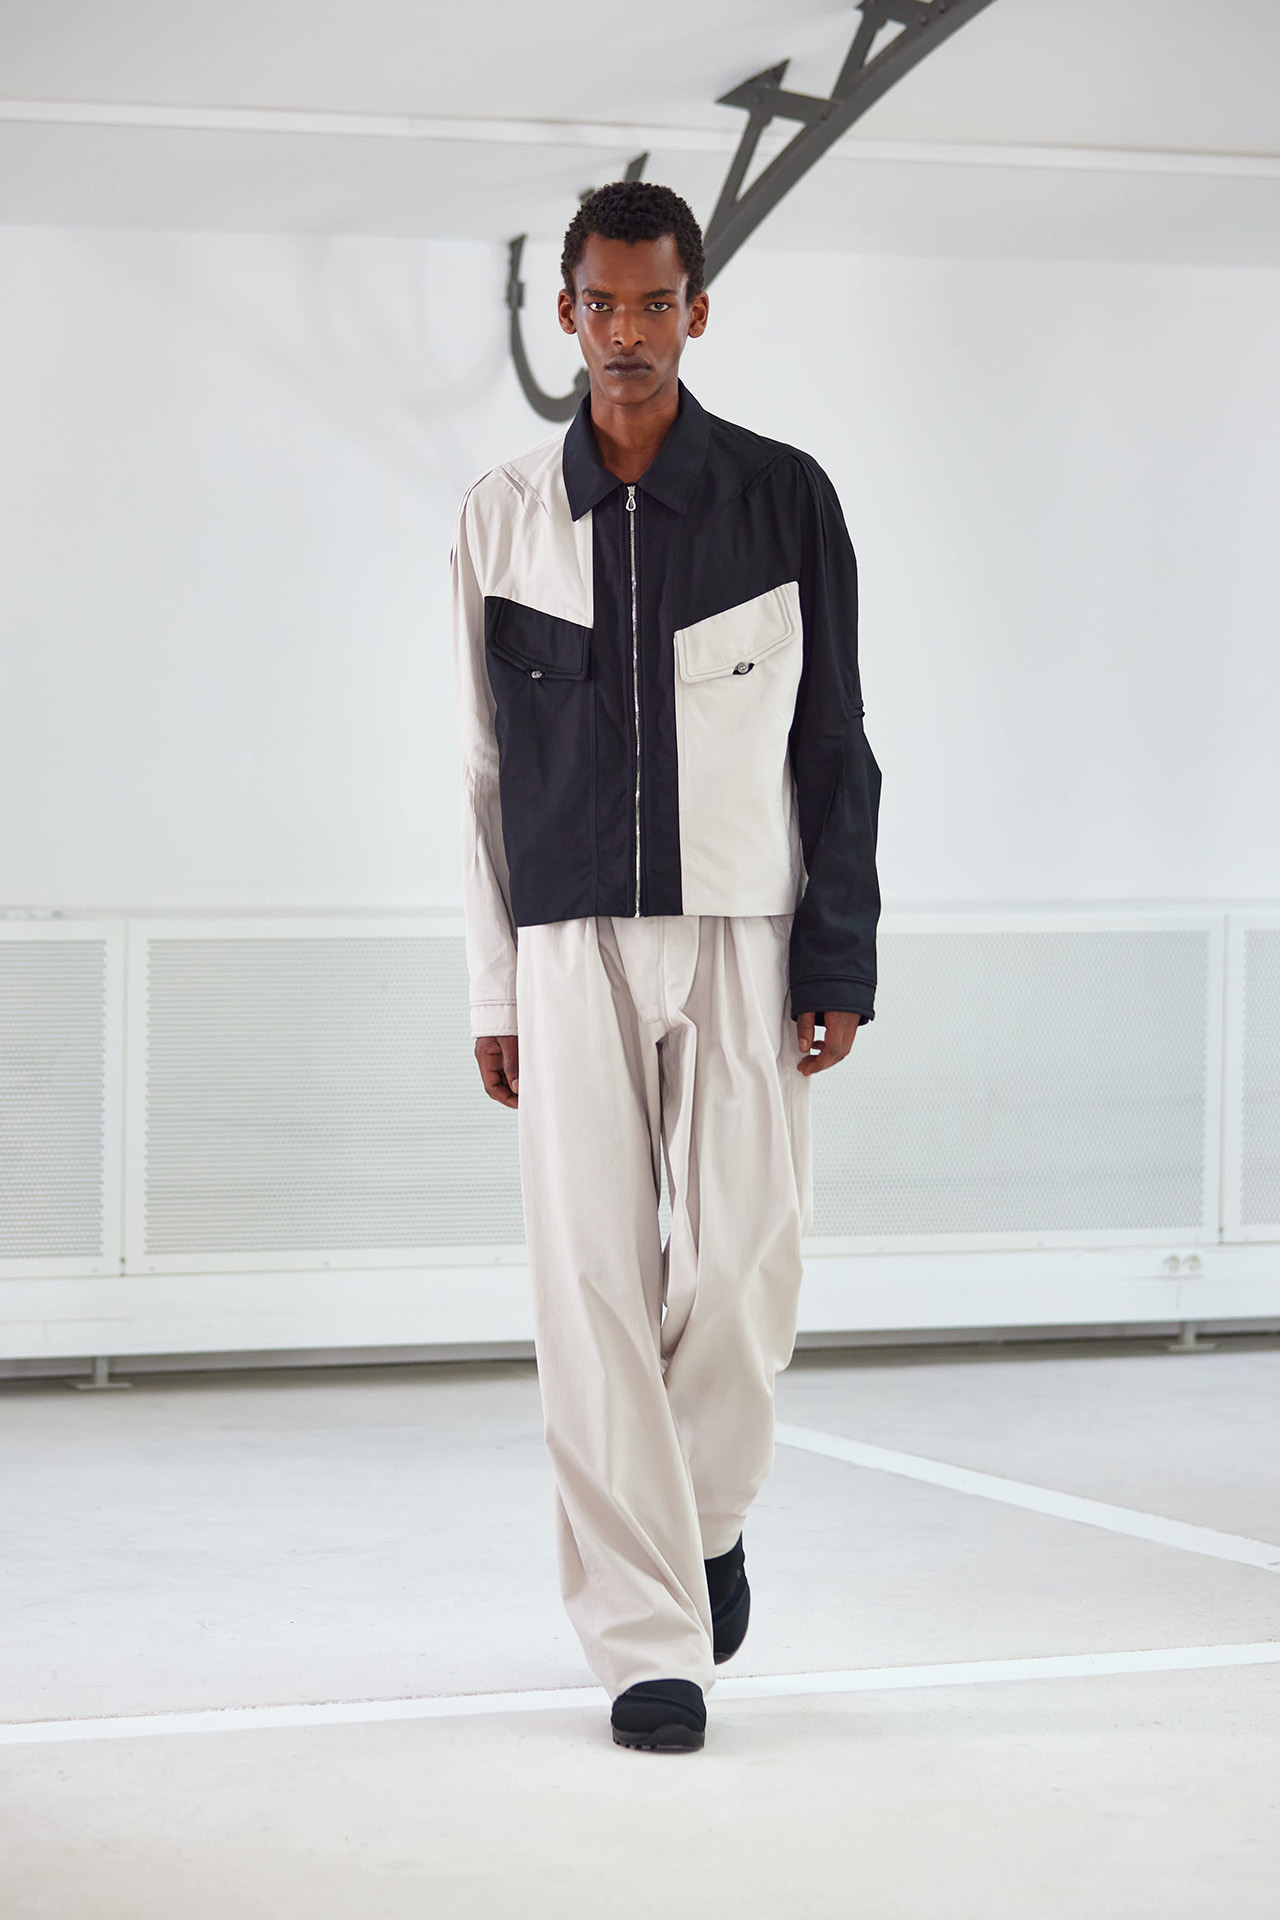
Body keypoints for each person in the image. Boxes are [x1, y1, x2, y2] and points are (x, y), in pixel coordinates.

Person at [452, 180, 880, 1752]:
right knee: (591, 1286)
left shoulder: (783, 498)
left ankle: (702, 1522)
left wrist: (839, 952)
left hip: (744, 928)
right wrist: (495, 987)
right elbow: (482, 772)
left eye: (653, 303)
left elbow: (835, 741)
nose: (625, 331)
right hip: (568, 943)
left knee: (746, 1264)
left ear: (697, 311)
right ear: (565, 312)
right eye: (600, 303)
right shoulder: (503, 516)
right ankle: (648, 1645)